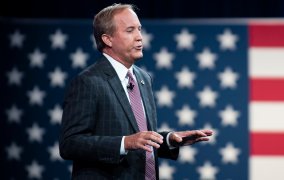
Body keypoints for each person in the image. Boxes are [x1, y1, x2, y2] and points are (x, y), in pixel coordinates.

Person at [59, 3, 213, 180]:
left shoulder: (143, 78)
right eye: (130, 30)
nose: (140, 37)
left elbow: (140, 138)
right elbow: (70, 144)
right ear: (108, 39)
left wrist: (170, 139)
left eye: (139, 29)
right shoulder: (88, 81)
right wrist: (125, 142)